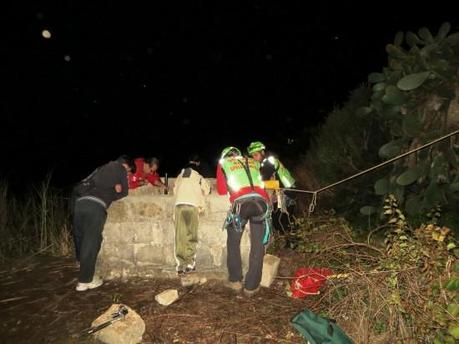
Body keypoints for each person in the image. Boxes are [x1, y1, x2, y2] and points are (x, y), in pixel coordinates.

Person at [72, 155, 134, 291]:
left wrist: (113, 190)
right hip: (95, 206)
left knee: (82, 236)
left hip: (79, 203)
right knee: (91, 241)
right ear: (126, 166)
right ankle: (84, 281)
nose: (127, 175)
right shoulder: (119, 168)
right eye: (129, 172)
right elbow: (124, 192)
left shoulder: (101, 169)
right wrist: (119, 189)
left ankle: (80, 261)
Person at [216, 146, 271, 297]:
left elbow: (221, 190)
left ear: (225, 156)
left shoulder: (224, 163)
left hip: (241, 205)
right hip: (261, 204)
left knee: (233, 242)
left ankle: (235, 280)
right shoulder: (253, 162)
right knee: (258, 245)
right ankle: (251, 286)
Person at [247, 141, 297, 245]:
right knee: (284, 218)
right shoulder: (269, 160)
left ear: (262, 152)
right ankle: (291, 241)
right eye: (252, 156)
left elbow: (262, 180)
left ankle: (292, 242)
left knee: (279, 219)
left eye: (256, 154)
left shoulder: (267, 162)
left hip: (286, 191)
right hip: (288, 190)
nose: (254, 157)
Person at [173, 156, 211, 275]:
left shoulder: (179, 176)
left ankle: (180, 264)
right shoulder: (198, 177)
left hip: (179, 205)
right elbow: (207, 190)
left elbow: (174, 191)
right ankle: (190, 263)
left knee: (180, 236)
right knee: (191, 235)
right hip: (192, 206)